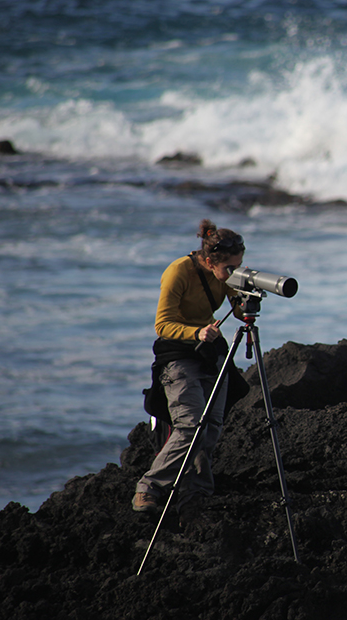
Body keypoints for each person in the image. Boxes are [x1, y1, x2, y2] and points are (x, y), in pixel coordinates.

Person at [132, 219, 246, 521]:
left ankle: (196, 493)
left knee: (211, 429)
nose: (234, 274)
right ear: (210, 261)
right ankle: (149, 486)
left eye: (239, 266)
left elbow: (236, 304)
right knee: (191, 425)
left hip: (210, 353)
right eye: (230, 269)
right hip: (179, 353)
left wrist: (245, 303)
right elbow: (162, 324)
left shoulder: (225, 272)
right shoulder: (178, 272)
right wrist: (196, 333)